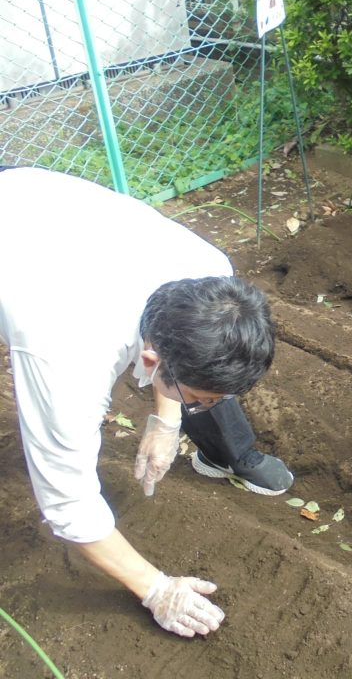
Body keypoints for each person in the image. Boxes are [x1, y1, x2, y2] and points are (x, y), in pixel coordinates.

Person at [0, 166, 293, 638]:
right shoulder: (66, 353)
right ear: (154, 359)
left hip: (38, 204)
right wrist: (156, 588)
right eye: (201, 399)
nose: (203, 405)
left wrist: (167, 419)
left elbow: (167, 347)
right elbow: (67, 504)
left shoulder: (210, 272)